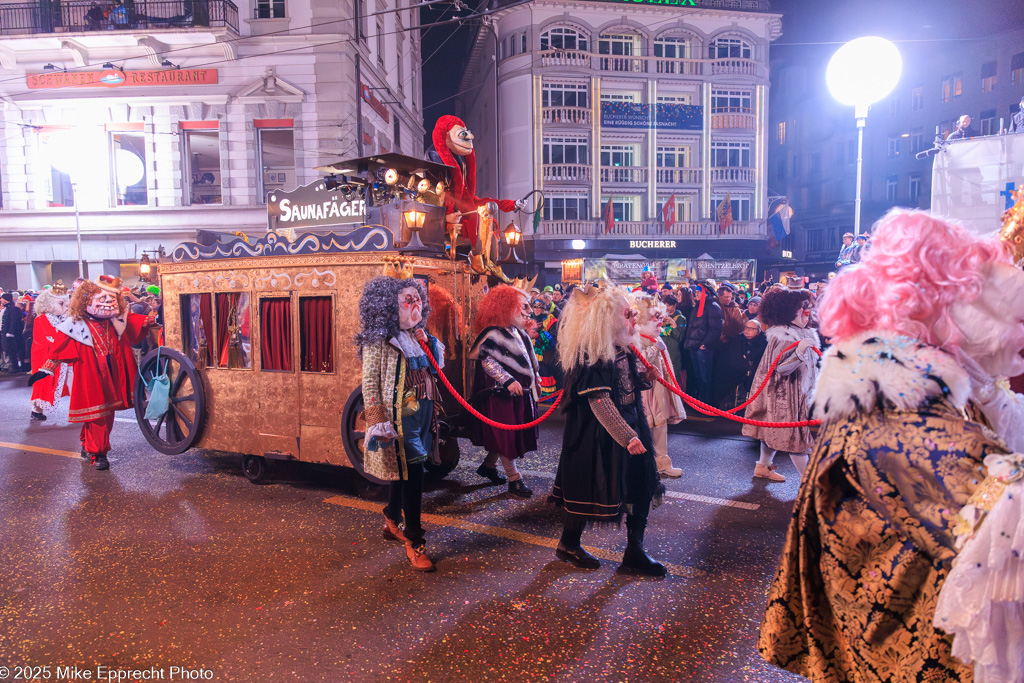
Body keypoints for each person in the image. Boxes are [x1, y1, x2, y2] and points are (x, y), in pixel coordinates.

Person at [758, 208, 1024, 682]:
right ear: (940, 309)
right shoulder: (900, 421)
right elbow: (1004, 521)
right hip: (898, 656)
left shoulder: (893, 394)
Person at [550, 281, 666, 576]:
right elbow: (600, 401)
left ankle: (635, 551)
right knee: (592, 488)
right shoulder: (595, 355)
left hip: (630, 427)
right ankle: (569, 543)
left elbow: (623, 387)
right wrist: (627, 437)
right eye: (628, 315)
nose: (634, 319)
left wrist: (644, 379)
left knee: (641, 485)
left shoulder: (622, 349)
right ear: (607, 319)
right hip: (599, 435)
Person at [355, 273, 443, 573]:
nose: (415, 306)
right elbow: (369, 384)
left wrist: (426, 340)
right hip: (400, 422)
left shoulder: (419, 337)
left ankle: (392, 519)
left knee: (404, 472)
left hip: (423, 417)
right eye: (408, 301)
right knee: (414, 476)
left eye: (418, 300)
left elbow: (435, 366)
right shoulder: (379, 341)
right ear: (387, 306)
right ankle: (414, 542)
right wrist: (378, 422)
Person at [29, 276, 158, 470]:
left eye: (111, 299)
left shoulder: (116, 320)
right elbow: (59, 345)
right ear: (86, 300)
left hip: (114, 373)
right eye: (103, 298)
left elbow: (135, 322)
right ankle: (98, 452)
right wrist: (46, 369)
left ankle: (87, 443)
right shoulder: (76, 323)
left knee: (106, 414)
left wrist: (152, 319)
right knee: (96, 413)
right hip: (90, 374)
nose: (107, 303)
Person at [740, 282, 819, 483]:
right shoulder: (784, 335)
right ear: (790, 310)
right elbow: (781, 369)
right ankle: (809, 482)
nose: (806, 310)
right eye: (802, 307)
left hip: (795, 391)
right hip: (785, 393)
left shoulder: (801, 331)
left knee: (772, 429)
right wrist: (800, 352)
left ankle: (762, 466)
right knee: (796, 438)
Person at [469, 285, 540, 498]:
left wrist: (535, 375)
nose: (529, 311)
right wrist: (507, 380)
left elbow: (528, 359)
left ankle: (488, 466)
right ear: (506, 307)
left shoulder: (518, 331)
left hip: (519, 393)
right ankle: (514, 479)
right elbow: (486, 361)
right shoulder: (491, 333)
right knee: (505, 433)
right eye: (524, 306)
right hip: (501, 394)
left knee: (508, 433)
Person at [635, 297, 685, 478]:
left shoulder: (653, 336)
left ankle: (660, 463)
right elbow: (639, 363)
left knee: (660, 424)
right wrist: (655, 348)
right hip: (646, 390)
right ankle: (648, 465)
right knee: (649, 426)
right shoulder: (637, 337)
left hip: (659, 388)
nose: (659, 321)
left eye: (659, 317)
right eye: (655, 317)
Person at [29, 284, 71, 421]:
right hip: (46, 357)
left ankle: (79, 410)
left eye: (66, 303)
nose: (65, 306)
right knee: (43, 383)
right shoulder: (41, 319)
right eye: (61, 303)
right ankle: (36, 410)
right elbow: (45, 339)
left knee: (74, 382)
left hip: (66, 356)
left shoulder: (66, 319)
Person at [682, 281, 722, 404]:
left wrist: (704, 344)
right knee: (698, 376)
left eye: (699, 292)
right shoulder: (698, 306)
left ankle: (706, 403)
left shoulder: (713, 307)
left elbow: (715, 329)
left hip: (703, 348)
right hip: (694, 346)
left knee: (705, 377)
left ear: (705, 293)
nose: (696, 294)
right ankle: (699, 402)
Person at [715, 319, 767, 411]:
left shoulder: (763, 342)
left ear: (758, 331)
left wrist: (746, 359)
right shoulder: (738, 339)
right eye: (746, 328)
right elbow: (732, 356)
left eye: (751, 328)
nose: (747, 330)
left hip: (754, 372)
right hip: (735, 370)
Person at [660, 295, 686, 386]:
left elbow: (680, 337)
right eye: (665, 305)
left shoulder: (680, 319)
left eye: (669, 306)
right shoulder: (661, 317)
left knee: (673, 379)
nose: (666, 308)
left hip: (673, 352)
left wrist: (674, 325)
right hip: (661, 351)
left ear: (675, 305)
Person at [1, 291, 25, 372]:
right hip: (5, 333)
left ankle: (15, 366)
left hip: (12, 334)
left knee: (13, 350)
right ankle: (12, 366)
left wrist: (10, 332)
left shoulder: (14, 309)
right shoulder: (6, 309)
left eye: (2, 298)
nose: (1, 300)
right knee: (8, 349)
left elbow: (13, 321)